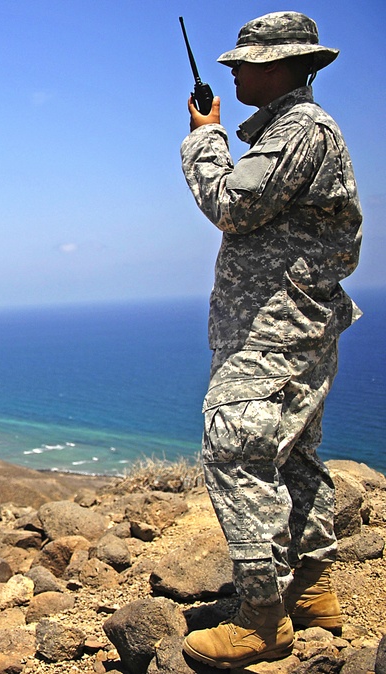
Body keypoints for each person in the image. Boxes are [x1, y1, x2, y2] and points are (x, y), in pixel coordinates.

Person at [179, 11, 363, 669]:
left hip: (277, 330)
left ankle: (261, 620)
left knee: (232, 446)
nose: (234, 70)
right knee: (293, 454)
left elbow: (233, 204)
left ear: (288, 65)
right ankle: (314, 590)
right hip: (289, 325)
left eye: (248, 61)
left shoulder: (300, 131)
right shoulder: (288, 132)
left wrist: (204, 142)